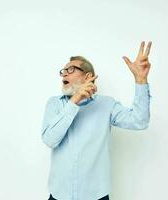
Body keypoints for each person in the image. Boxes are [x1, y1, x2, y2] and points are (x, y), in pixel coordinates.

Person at [41, 41, 152, 200]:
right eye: (63, 71)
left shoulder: (107, 105)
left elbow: (140, 121)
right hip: (59, 195)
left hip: (96, 196)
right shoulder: (54, 103)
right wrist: (75, 101)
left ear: (87, 76)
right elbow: (50, 140)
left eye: (71, 69)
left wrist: (141, 80)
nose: (64, 73)